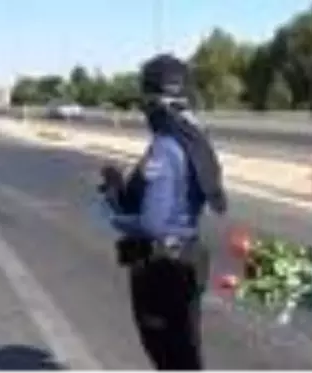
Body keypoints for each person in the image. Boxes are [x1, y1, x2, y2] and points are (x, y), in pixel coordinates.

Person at [99, 53, 227, 373]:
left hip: (161, 267)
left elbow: (152, 223)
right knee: (187, 352)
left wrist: (112, 214)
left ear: (154, 101)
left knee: (168, 355)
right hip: (189, 255)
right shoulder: (196, 140)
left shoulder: (166, 147)